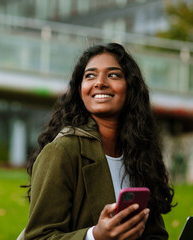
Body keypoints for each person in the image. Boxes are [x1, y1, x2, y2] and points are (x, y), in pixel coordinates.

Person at [23, 43, 175, 240]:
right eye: (90, 76)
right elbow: (37, 237)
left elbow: (154, 233)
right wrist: (94, 236)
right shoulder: (62, 151)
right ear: (80, 90)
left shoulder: (139, 152)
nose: (100, 83)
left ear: (130, 87)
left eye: (113, 75)